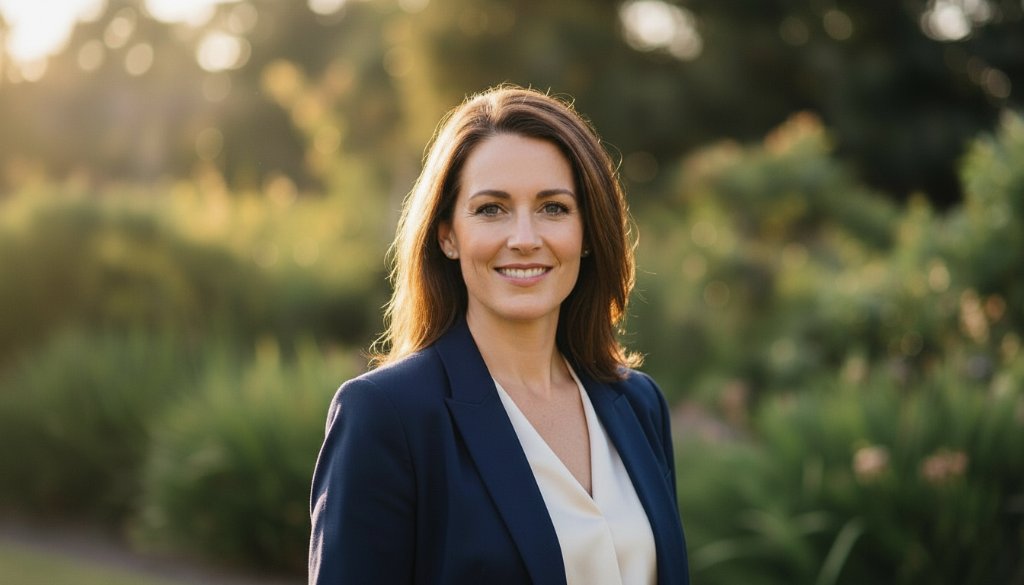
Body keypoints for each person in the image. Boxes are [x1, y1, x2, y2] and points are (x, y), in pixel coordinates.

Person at [309, 86, 689, 585]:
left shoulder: (637, 403)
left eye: (554, 208)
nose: (526, 238)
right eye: (492, 209)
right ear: (447, 234)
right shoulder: (387, 415)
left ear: (589, 232)